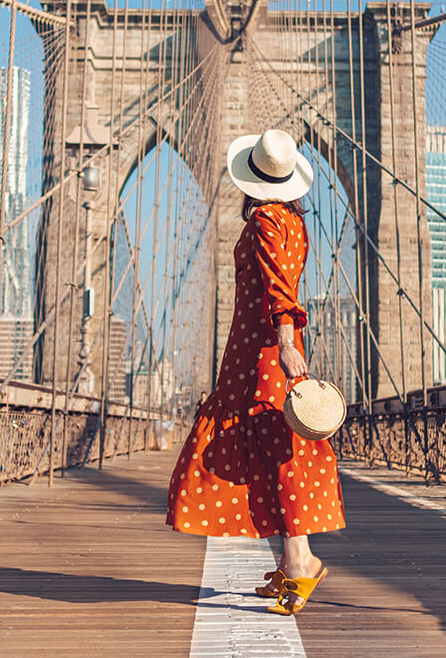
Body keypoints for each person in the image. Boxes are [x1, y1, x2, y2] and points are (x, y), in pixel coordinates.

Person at [166, 129, 345, 616]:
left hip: (262, 354)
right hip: (259, 351)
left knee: (277, 452)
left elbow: (278, 286)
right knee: (277, 452)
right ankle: (293, 559)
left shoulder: (265, 219)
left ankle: (302, 559)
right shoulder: (292, 221)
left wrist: (286, 343)